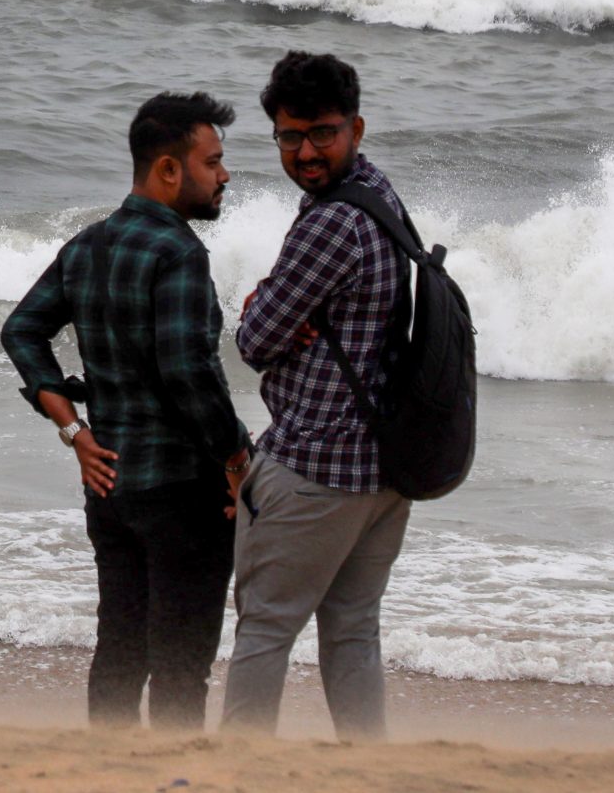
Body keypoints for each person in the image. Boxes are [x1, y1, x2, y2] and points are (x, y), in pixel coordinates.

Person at [0, 91, 252, 729]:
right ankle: (171, 774)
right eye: (213, 162)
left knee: (120, 647)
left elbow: (22, 331)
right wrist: (236, 455)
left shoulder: (88, 245)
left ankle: (106, 768)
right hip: (182, 492)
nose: (224, 176)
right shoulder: (180, 254)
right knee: (180, 663)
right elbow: (188, 370)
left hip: (109, 487)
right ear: (169, 170)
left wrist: (75, 433)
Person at [221, 51, 411, 737]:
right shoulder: (380, 197)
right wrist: (278, 309)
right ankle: (368, 766)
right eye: (289, 136)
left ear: (355, 127)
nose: (306, 151)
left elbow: (255, 340)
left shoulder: (332, 222)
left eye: (322, 133)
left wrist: (262, 304)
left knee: (265, 628)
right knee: (354, 630)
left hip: (318, 467)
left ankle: (237, 772)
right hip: (385, 467)